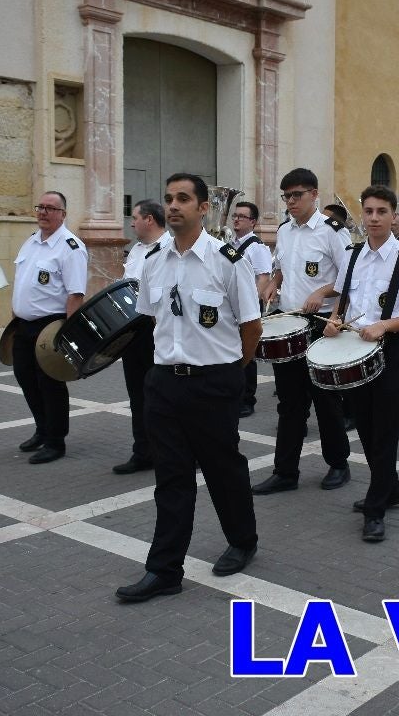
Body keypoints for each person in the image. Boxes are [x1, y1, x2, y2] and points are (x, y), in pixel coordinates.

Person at [116, 173, 262, 602]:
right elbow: (153, 318)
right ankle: (164, 570)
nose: (173, 205)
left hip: (214, 381)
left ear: (202, 208)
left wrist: (231, 371)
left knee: (223, 469)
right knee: (171, 478)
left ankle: (243, 541)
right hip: (165, 383)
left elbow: (251, 327)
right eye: (168, 198)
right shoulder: (153, 260)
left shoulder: (227, 260)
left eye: (183, 198)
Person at [324, 184, 399, 541]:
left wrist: (385, 325)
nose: (373, 218)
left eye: (381, 212)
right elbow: (342, 303)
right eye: (368, 211)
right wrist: (334, 321)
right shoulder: (353, 255)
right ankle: (391, 487)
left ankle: (375, 508)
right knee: (366, 427)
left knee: (384, 430)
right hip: (354, 349)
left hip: (392, 349)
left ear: (394, 216)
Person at [253, 168, 353, 495]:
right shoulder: (285, 230)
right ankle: (285, 472)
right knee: (289, 402)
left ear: (314, 194)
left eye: (297, 195)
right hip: (289, 321)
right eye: (286, 197)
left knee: (325, 399)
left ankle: (338, 463)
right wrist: (273, 282)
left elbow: (350, 277)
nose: (291, 202)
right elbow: (282, 267)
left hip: (321, 324)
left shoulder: (332, 231)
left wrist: (322, 292)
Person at [10, 191, 88, 464]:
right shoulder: (31, 241)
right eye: (40, 207)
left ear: (63, 214)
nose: (43, 212)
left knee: (50, 384)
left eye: (50, 208)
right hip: (23, 326)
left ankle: (56, 441)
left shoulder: (70, 247)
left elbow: (75, 294)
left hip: (50, 326)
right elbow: (22, 284)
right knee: (25, 377)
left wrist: (67, 335)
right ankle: (41, 430)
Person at [112, 199, 170, 474]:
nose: (131, 223)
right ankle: (143, 452)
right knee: (138, 395)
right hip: (134, 329)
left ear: (149, 219)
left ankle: (175, 452)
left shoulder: (170, 248)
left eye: (134, 218)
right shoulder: (136, 250)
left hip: (158, 329)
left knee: (165, 396)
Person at [231, 200, 272, 418]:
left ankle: (247, 400)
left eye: (242, 216)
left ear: (253, 222)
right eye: (235, 216)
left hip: (247, 308)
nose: (236, 219)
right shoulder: (230, 244)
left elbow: (263, 278)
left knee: (248, 353)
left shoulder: (257, 247)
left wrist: (249, 305)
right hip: (232, 307)